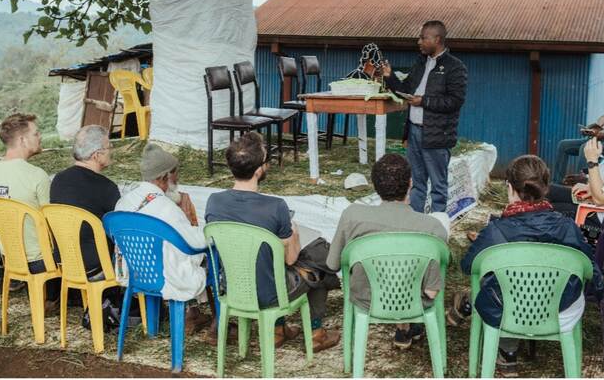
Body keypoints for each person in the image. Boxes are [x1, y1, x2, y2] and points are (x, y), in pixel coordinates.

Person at [457, 155, 604, 372]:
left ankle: (507, 352)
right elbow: (592, 271)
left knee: (497, 288)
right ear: (546, 188)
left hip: (507, 311)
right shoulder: (567, 227)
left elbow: (468, 266)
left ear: (509, 187)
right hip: (560, 311)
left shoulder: (495, 231)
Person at [205, 132, 341, 352]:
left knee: (295, 262)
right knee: (318, 266)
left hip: (232, 288)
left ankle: (279, 330)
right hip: (270, 294)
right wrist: (294, 235)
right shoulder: (276, 206)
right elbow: (290, 259)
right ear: (259, 169)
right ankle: (316, 332)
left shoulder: (213, 202)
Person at [327, 153, 449, 350]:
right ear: (411, 183)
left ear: (374, 185)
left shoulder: (352, 216)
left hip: (366, 300)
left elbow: (332, 264)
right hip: (416, 302)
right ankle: (407, 325)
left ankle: (405, 327)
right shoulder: (433, 227)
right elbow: (433, 285)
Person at [114, 142, 209, 331]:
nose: (178, 179)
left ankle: (160, 325)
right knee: (209, 257)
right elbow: (194, 243)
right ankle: (209, 319)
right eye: (176, 174)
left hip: (134, 274)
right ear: (165, 176)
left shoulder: (123, 202)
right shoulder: (167, 208)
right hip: (166, 277)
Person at [383, 20, 468, 213]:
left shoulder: (455, 67)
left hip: (437, 135)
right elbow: (405, 90)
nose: (418, 41)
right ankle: (415, 223)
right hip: (414, 131)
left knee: (438, 186)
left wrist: (424, 101)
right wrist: (390, 77)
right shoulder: (420, 63)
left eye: (423, 37)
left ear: (437, 39)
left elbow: (455, 101)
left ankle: (437, 228)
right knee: (416, 183)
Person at [0, 113, 50, 273]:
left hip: (9, 257)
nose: (40, 137)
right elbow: (51, 223)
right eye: (36, 133)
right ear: (22, 140)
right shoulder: (37, 175)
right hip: (40, 260)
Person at [50, 125, 120, 274]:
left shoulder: (58, 179)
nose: (112, 151)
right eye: (109, 147)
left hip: (64, 258)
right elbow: (119, 231)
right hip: (96, 262)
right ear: (96, 155)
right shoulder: (106, 187)